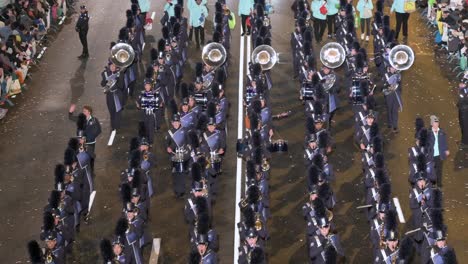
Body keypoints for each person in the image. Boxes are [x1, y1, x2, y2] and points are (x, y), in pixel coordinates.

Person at [428, 115, 449, 187]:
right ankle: (433, 183)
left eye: (437, 123)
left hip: (439, 155)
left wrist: (446, 149)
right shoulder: (429, 133)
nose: (436, 124)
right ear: (431, 124)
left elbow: (444, 142)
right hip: (432, 154)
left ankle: (439, 183)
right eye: (434, 123)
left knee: (439, 170)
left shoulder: (441, 132)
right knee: (432, 169)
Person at [81, 105, 101, 171]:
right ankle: (86, 169)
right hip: (82, 142)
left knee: (91, 156)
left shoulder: (94, 120)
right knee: (84, 155)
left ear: (89, 112)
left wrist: (91, 137)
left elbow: (99, 130)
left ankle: (91, 170)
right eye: (83, 111)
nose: (83, 112)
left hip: (91, 142)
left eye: (84, 111)